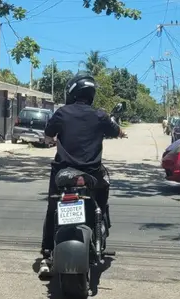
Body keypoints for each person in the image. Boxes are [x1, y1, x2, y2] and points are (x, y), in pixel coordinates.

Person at [38, 74, 126, 277]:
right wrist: (120, 132)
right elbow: (115, 130)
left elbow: (48, 135)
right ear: (91, 94)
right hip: (91, 175)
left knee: (53, 209)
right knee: (101, 200)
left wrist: (50, 140)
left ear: (71, 93)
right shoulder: (100, 115)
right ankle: (99, 228)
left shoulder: (61, 113)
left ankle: (46, 254)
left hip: (63, 174)